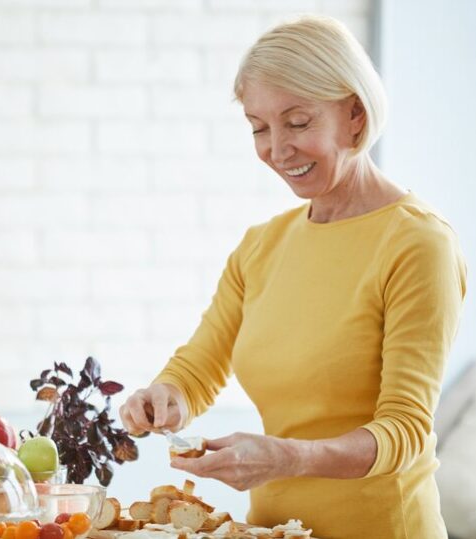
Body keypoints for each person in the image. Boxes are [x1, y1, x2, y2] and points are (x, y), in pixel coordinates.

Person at [119, 15, 466, 539]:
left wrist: (285, 457)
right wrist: (165, 397)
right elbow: (199, 368)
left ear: (355, 113)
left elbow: (406, 431)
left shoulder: (417, 243)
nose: (277, 150)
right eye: (259, 127)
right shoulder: (262, 245)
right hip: (277, 530)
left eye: (298, 123)